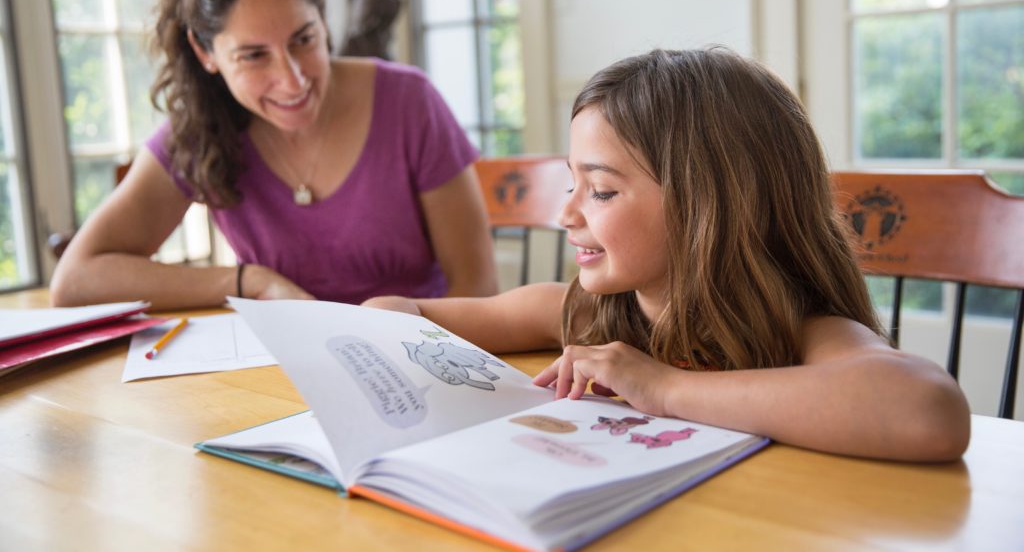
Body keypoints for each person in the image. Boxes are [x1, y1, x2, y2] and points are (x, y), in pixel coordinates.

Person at [364, 47, 972, 462]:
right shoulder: (584, 315)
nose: (565, 214)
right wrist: (387, 310)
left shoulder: (802, 333)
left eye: (600, 190)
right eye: (571, 183)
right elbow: (410, 315)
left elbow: (929, 410)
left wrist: (665, 388)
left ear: (709, 205)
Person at [50, 0, 497, 310]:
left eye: (303, 39)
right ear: (205, 53)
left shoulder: (409, 101)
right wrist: (248, 281)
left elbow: (477, 286)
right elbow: (75, 281)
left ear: (324, 21)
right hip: (279, 380)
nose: (293, 79)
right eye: (253, 56)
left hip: (423, 368)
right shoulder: (201, 128)